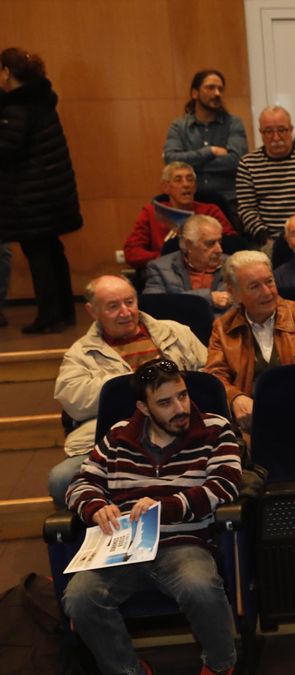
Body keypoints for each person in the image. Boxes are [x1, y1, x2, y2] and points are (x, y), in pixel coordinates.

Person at [63, 358, 241, 675]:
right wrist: (95, 506)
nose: (180, 408)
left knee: (199, 587)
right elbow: (81, 483)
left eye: (183, 396)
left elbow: (224, 485)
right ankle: (127, 670)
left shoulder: (215, 429)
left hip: (182, 540)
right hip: (121, 547)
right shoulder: (119, 436)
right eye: (165, 402)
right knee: (79, 597)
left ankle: (220, 664)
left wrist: (166, 506)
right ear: (143, 408)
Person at [50, 275, 208, 505]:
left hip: (181, 430)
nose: (125, 312)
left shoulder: (175, 333)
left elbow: (209, 376)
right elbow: (74, 402)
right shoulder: (81, 353)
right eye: (113, 307)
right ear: (92, 311)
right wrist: (138, 380)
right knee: (61, 479)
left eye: (130, 302)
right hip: (112, 443)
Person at [205, 250, 295, 431]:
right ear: (234, 292)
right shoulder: (222, 327)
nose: (267, 292)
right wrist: (235, 397)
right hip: (249, 425)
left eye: (269, 282)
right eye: (254, 286)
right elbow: (215, 374)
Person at [0, 48, 80, 334]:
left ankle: (49, 317)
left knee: (39, 256)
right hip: (51, 194)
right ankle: (65, 312)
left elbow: (6, 149)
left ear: (8, 72)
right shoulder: (41, 100)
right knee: (53, 252)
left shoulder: (18, 107)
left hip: (31, 197)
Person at [235, 105, 295, 246]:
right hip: (266, 239)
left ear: (291, 130)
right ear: (261, 133)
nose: (276, 137)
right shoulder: (247, 164)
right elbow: (247, 209)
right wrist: (266, 239)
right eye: (268, 131)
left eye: (282, 130)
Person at [123, 162, 234, 271]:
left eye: (190, 179)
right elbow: (132, 252)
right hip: (164, 271)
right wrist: (165, 258)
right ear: (166, 187)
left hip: (205, 270)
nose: (186, 185)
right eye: (178, 180)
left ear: (194, 187)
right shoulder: (151, 213)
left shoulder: (210, 211)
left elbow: (232, 244)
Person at [163, 69, 248, 207]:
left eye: (220, 89)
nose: (217, 93)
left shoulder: (234, 123)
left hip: (228, 203)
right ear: (195, 93)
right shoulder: (179, 126)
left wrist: (191, 165)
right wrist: (210, 151)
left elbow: (236, 161)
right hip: (191, 203)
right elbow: (171, 160)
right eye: (210, 88)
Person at [143, 214, 232, 312]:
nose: (219, 250)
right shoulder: (159, 268)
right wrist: (207, 298)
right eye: (210, 243)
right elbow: (153, 305)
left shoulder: (233, 265)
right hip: (177, 326)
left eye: (220, 242)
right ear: (188, 244)